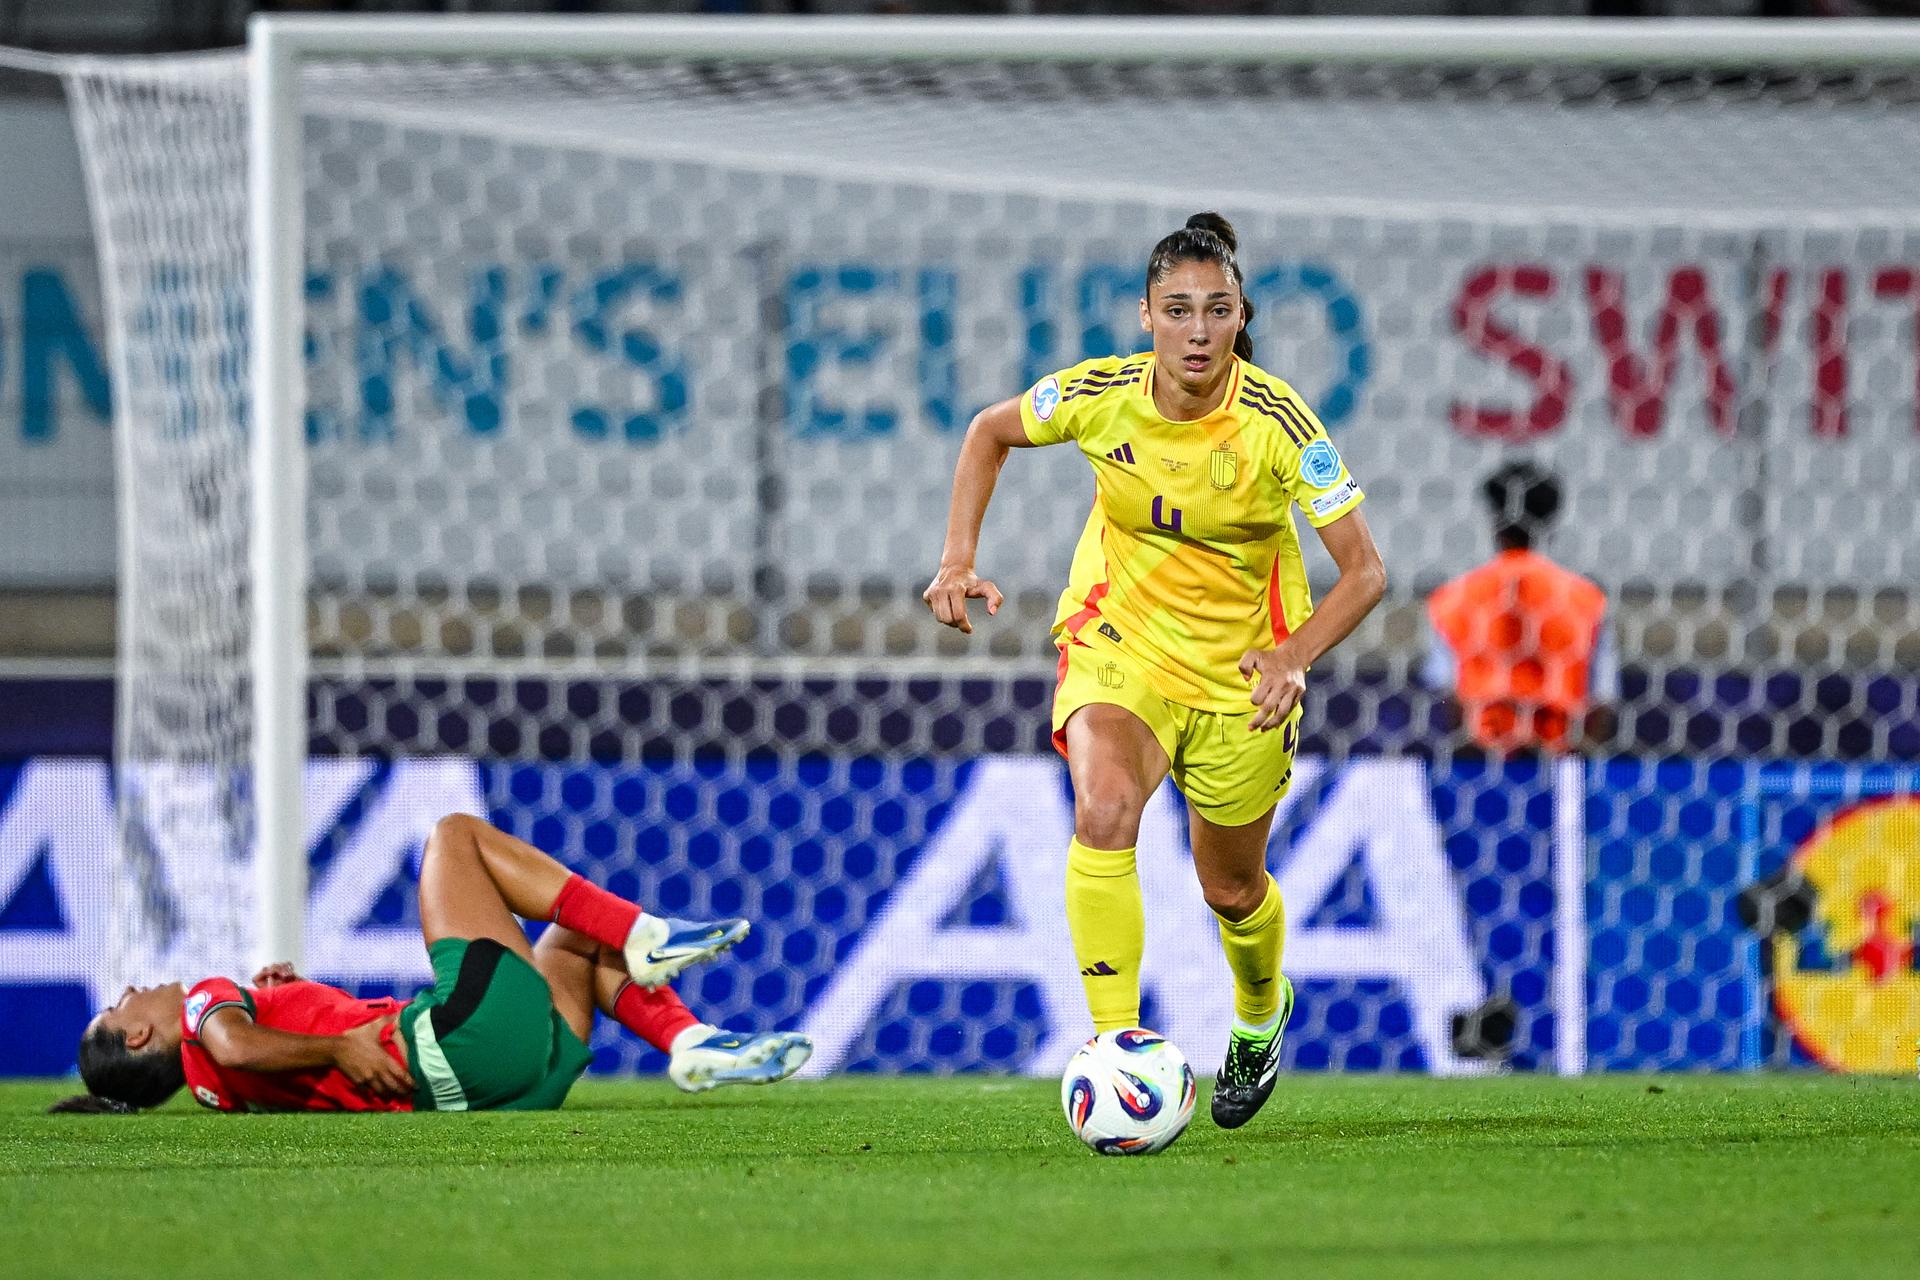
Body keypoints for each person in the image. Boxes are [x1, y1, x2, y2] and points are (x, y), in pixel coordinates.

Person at [923, 213, 1386, 1129]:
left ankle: (1259, 1014)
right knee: (1102, 811)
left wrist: (1293, 656)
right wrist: (956, 558)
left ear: (1241, 314)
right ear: (1146, 317)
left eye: (1218, 310)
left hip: (1240, 676)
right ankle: (1114, 1045)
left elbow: (1366, 573)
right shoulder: (1099, 394)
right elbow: (988, 431)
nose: (1199, 331)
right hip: (1120, 644)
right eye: (1178, 310)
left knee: (1231, 889)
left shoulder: (1279, 423)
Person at [51, 812, 812, 1114]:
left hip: (490, 1093)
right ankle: (644, 931)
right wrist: (342, 1042)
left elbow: (255, 1055)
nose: (132, 989)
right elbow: (232, 1040)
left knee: (571, 948)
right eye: (121, 1006)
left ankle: (690, 1044)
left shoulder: (225, 1098)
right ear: (144, 1039)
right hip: (459, 1045)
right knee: (454, 839)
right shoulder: (205, 1017)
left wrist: (296, 1001)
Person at [1423, 461, 1616, 753]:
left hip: (1480, 759)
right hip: (1558, 755)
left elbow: (1445, 690)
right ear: (1552, 521)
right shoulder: (1587, 599)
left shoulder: (1453, 597)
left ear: (1494, 521)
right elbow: (1603, 696)